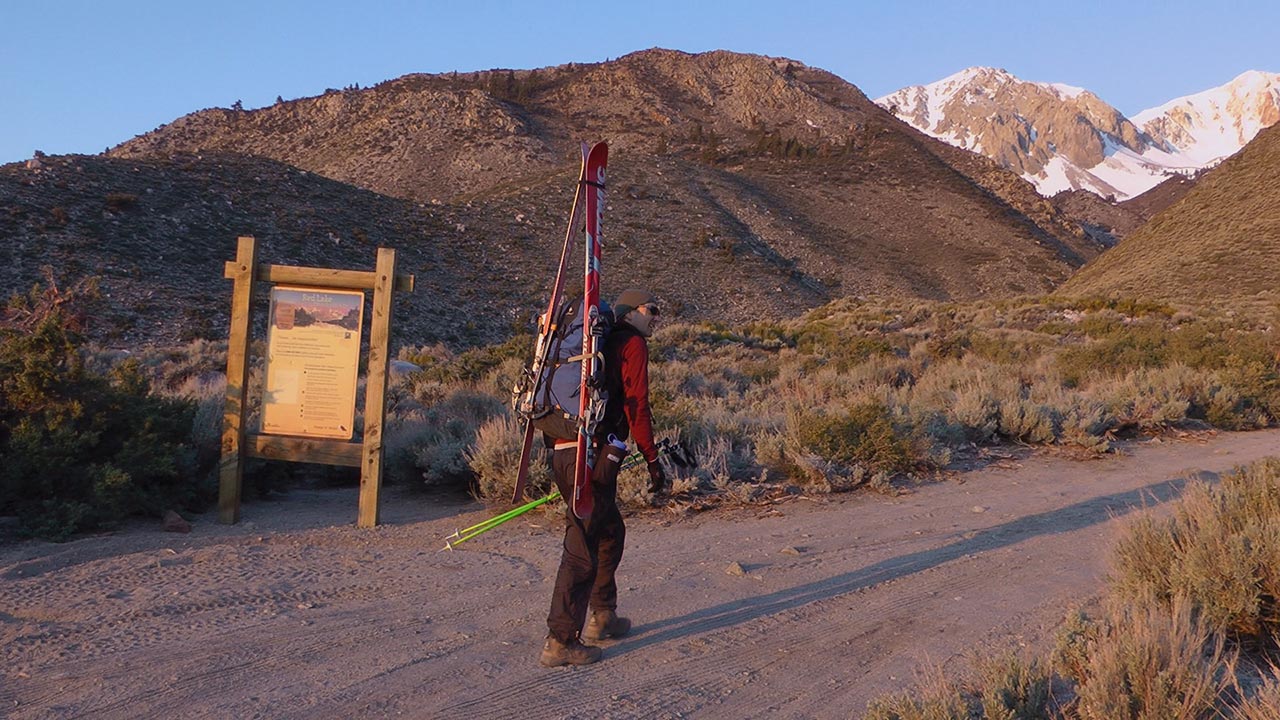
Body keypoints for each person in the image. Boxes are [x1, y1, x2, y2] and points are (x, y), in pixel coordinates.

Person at [540, 288, 667, 667]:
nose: (656, 317)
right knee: (582, 544)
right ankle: (560, 640)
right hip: (592, 453)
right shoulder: (631, 344)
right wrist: (652, 458)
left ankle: (603, 614)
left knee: (609, 530)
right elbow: (636, 404)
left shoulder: (592, 345)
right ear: (630, 312)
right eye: (652, 309)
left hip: (564, 447)